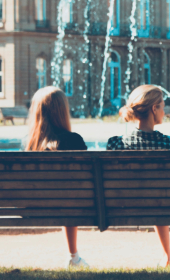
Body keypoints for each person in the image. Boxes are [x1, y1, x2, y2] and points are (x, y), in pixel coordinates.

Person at [107, 85, 170, 267]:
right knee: (158, 197)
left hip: (124, 206)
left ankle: (166, 254)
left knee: (154, 196)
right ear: (154, 108)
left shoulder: (115, 145)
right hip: (165, 205)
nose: (165, 111)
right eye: (162, 106)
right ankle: (167, 255)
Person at [23, 86, 89, 268]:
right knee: (69, 197)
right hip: (71, 204)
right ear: (62, 111)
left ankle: (73, 256)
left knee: (67, 197)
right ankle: (73, 256)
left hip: (34, 206)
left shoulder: (29, 145)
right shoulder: (74, 140)